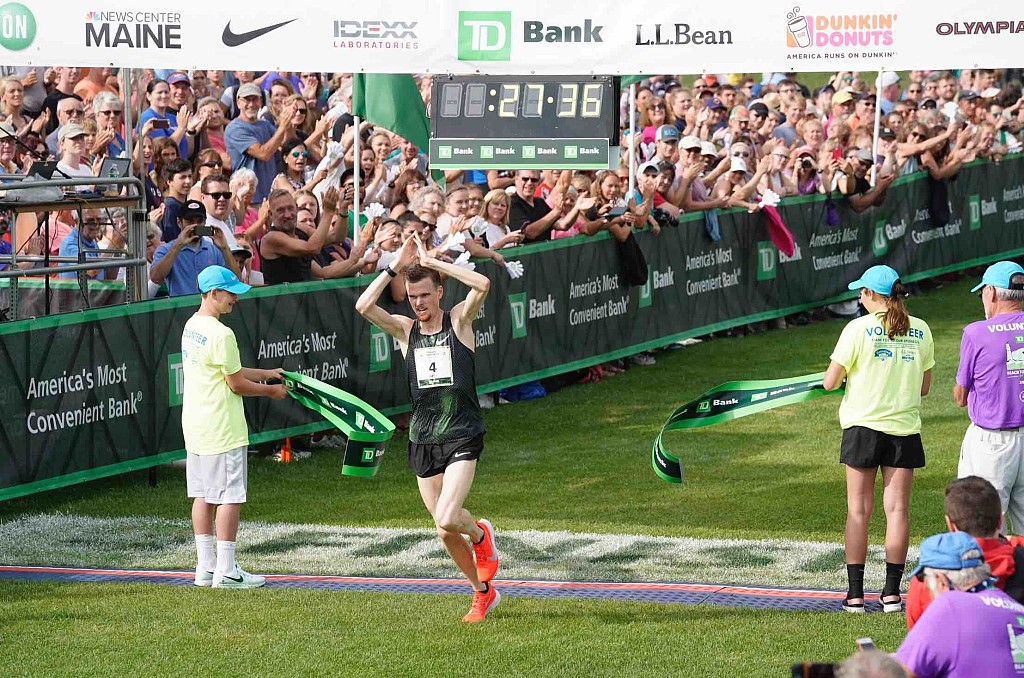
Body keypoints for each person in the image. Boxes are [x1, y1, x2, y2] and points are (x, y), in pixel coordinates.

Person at [355, 235, 500, 623]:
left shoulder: (459, 320)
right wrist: (393, 267)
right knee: (443, 530)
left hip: (463, 431)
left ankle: (481, 536)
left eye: (424, 294)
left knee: (450, 516)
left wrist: (434, 262)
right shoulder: (406, 330)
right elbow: (363, 306)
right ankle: (482, 592)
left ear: (438, 292)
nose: (418, 302)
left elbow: (482, 283)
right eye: (412, 296)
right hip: (423, 437)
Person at [823, 265, 935, 613]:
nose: (859, 298)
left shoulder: (856, 329)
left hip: (863, 428)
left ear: (873, 295)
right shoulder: (921, 329)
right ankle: (891, 594)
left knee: (858, 511)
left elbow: (829, 382)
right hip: (904, 429)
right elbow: (924, 387)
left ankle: (855, 595)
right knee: (897, 511)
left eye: (862, 292)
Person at [182, 265, 288, 589]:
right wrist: (271, 391)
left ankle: (206, 567)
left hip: (196, 426)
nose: (235, 300)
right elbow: (236, 383)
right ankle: (227, 571)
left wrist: (266, 373)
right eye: (230, 294)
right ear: (214, 293)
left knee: (202, 495)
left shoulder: (191, 325)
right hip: (222, 427)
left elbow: (231, 371)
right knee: (230, 497)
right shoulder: (222, 333)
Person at [895, 531, 1024, 677]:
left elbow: (904, 672)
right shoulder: (1014, 607)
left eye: (924, 578)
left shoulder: (950, 606)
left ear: (941, 581)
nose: (925, 587)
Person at [955, 262, 1024, 531]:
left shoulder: (976, 333)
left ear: (992, 292)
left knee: (985, 526)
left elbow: (960, 396)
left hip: (992, 443)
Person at [906, 476, 1024, 629]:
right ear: (1000, 522)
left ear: (950, 524)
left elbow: (917, 634)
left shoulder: (926, 579)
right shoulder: (1016, 559)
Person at [150, 200, 239, 296]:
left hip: (210, 304)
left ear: (205, 222)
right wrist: (178, 245)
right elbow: (155, 278)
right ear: (179, 222)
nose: (195, 225)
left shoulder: (214, 250)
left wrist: (225, 248)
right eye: (190, 221)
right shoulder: (166, 250)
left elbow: (236, 280)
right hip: (182, 304)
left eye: (200, 221)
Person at [225, 83, 294, 204]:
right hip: (248, 198)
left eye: (255, 99)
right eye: (247, 100)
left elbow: (285, 143)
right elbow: (263, 154)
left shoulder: (264, 124)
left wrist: (289, 119)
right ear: (238, 102)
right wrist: (283, 126)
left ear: (261, 102)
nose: (251, 104)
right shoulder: (234, 128)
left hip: (270, 195)